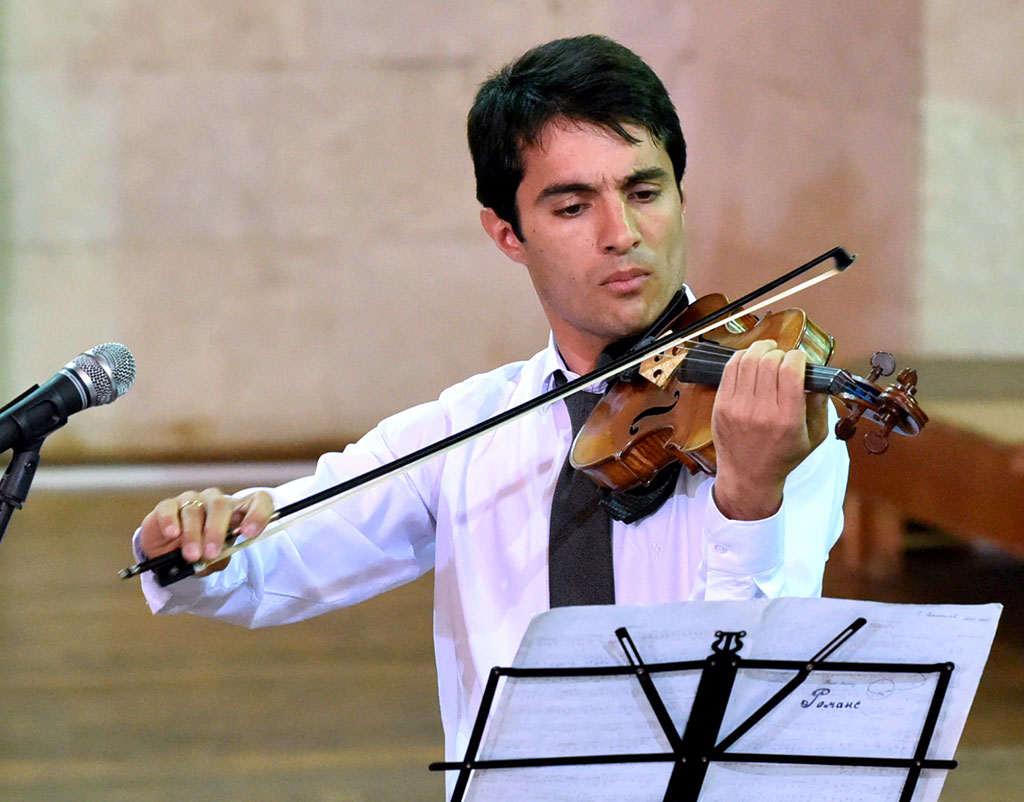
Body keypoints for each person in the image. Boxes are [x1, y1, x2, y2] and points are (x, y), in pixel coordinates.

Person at [133, 35, 848, 771]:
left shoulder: (771, 413)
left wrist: (749, 498)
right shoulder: (467, 429)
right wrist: (192, 543)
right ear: (508, 234)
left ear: (681, 198)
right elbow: (278, 559)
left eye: (644, 193)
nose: (623, 235)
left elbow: (748, 696)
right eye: (573, 206)